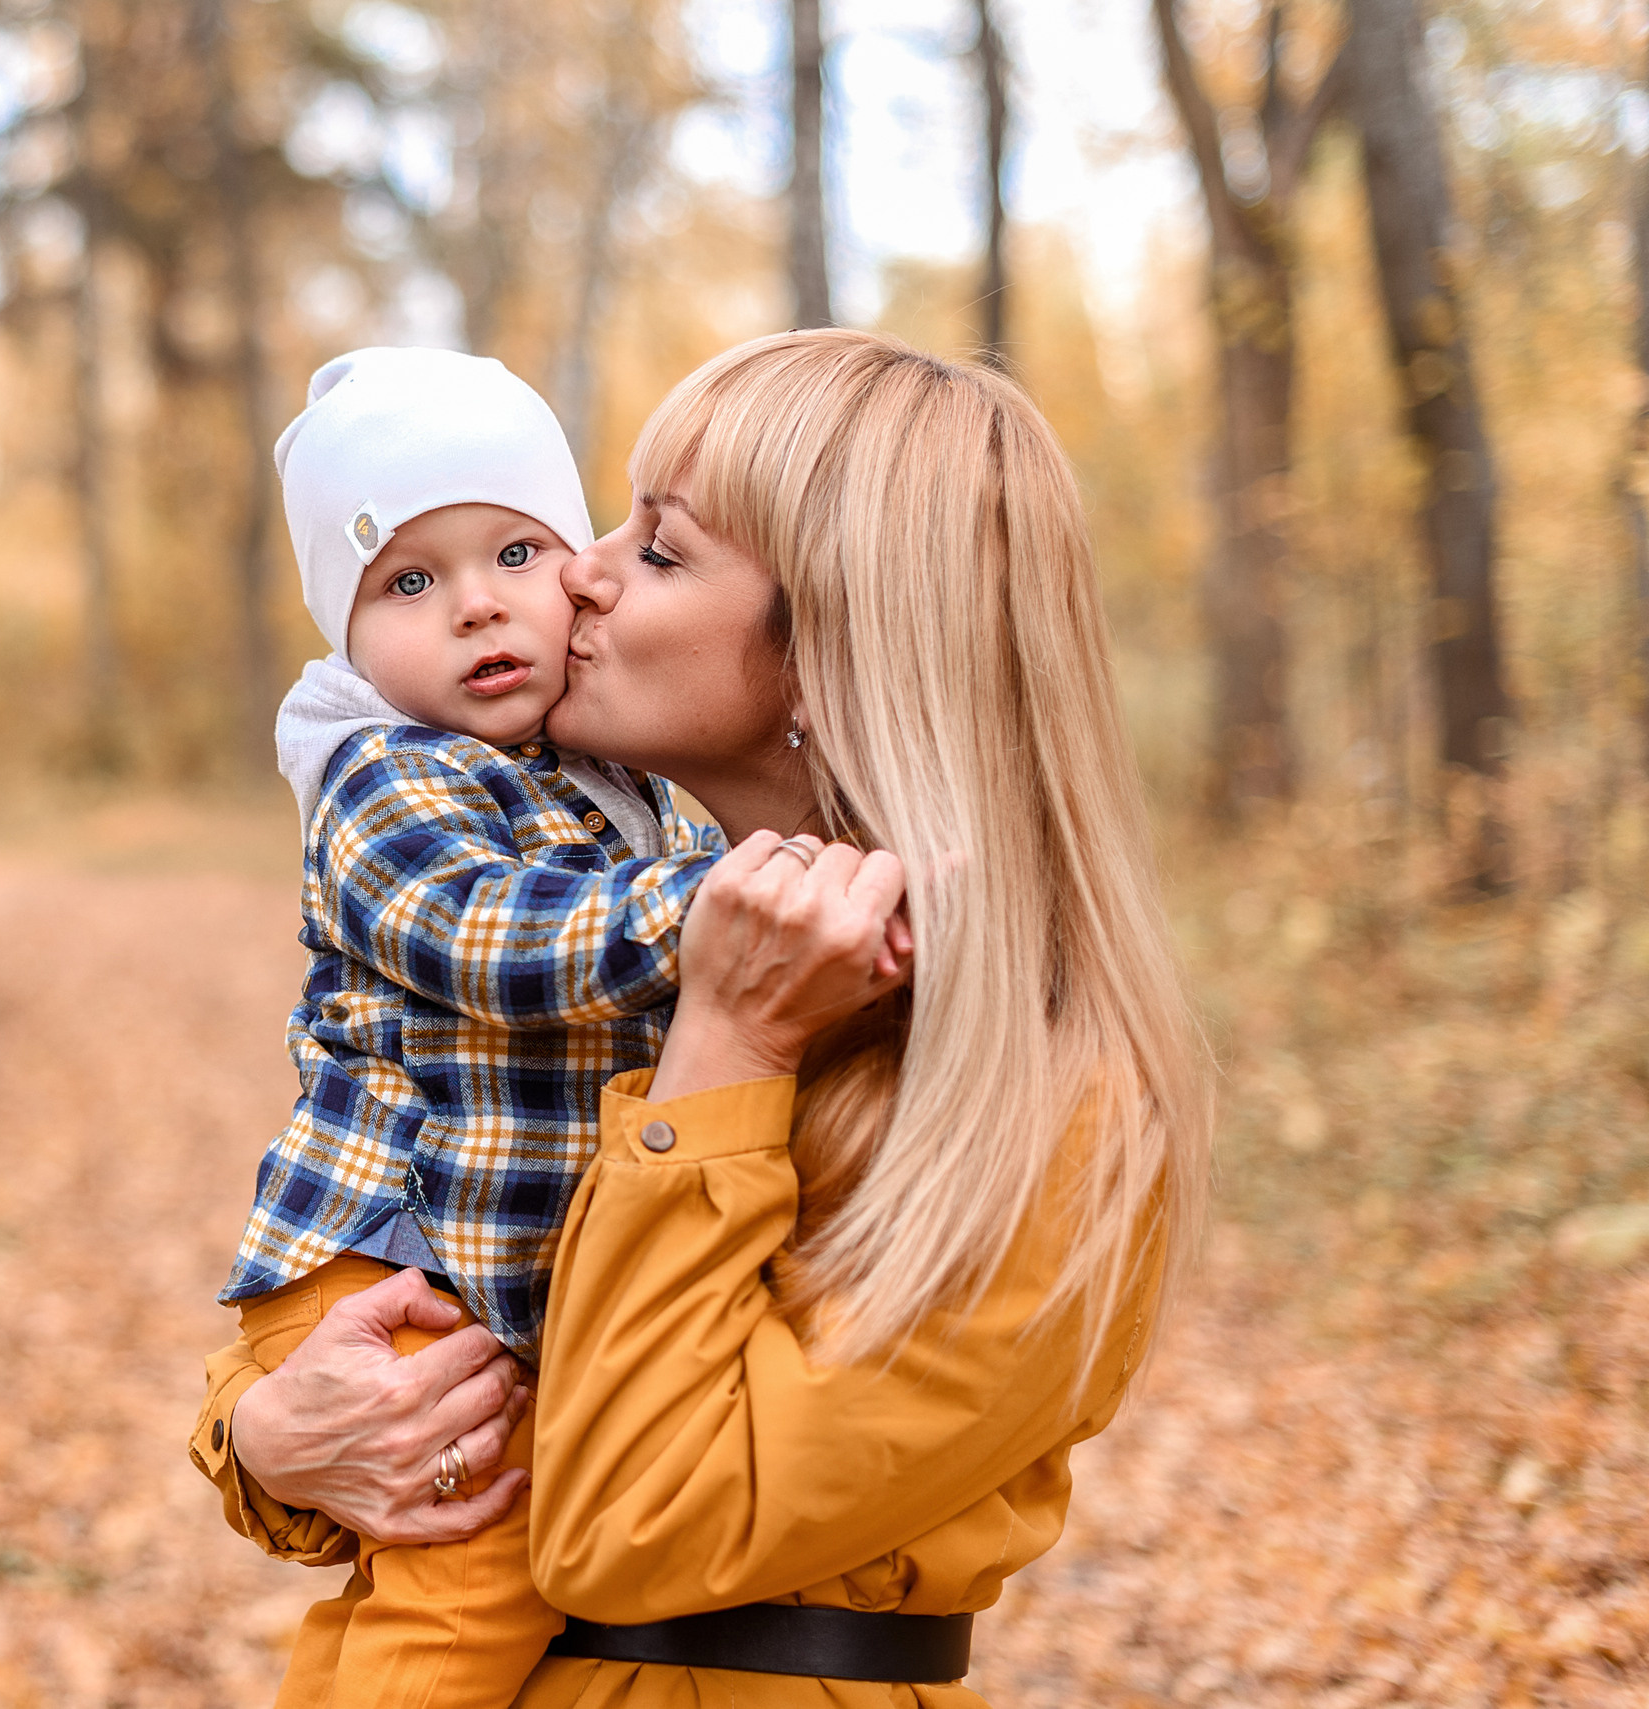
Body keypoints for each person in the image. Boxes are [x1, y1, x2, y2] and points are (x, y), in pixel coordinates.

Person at [195, 329, 1211, 1705]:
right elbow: (430, 1311)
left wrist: (734, 1046)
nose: (578, 573)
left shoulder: (1043, 1099)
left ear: (831, 653)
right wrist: (266, 1437)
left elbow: (632, 1519)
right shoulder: (585, 910)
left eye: (658, 549)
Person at [202, 346, 789, 1709]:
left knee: (426, 1588)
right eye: (409, 581)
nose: (477, 607)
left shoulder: (600, 780)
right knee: (470, 1586)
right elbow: (487, 934)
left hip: (477, 1260)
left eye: (516, 550)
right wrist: (716, 902)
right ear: (341, 633)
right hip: (407, 1256)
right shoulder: (380, 776)